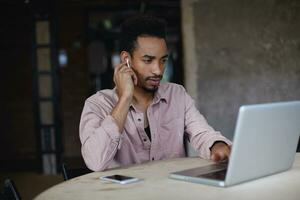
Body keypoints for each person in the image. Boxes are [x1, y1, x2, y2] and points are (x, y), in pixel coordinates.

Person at [79, 15, 232, 172]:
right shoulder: (97, 104)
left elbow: (202, 133)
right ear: (126, 60)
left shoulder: (177, 95)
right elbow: (95, 161)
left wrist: (217, 145)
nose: (158, 70)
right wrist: (125, 98)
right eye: (148, 60)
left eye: (163, 60)